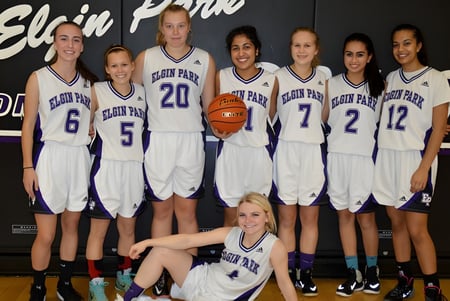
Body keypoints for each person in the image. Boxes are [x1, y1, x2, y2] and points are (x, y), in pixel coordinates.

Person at [132, 3, 216, 299]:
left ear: (189, 27)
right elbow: (130, 102)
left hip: (191, 139)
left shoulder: (205, 59)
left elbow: (210, 106)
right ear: (161, 29)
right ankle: (158, 272)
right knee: (162, 210)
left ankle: (185, 280)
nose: (176, 32)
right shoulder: (146, 58)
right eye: (169, 26)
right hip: (157, 140)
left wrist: (222, 128)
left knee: (187, 212)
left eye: (181, 25)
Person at [21, 21, 98, 301]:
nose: (70, 45)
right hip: (49, 158)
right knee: (46, 234)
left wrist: (91, 126)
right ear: (54, 42)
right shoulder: (39, 77)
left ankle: (64, 285)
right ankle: (38, 287)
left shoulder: (89, 83)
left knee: (72, 226)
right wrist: (28, 167)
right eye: (64, 39)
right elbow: (28, 125)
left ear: (82, 46)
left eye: (76, 40)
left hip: (78, 158)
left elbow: (92, 120)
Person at [373, 24, 450, 301]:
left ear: (418, 46)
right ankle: (405, 281)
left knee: (418, 229)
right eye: (396, 44)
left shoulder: (436, 79)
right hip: (388, 158)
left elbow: (439, 129)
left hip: (415, 160)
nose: (401, 49)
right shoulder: (391, 78)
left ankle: (433, 289)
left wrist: (423, 168)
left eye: (407, 43)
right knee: (397, 224)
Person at [119, 192, 297, 301]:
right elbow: (188, 240)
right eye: (242, 215)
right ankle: (127, 299)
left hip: (223, 298)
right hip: (201, 278)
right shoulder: (231, 233)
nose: (248, 221)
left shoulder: (274, 246)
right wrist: (148, 243)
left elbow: (285, 284)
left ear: (267, 217)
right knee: (160, 252)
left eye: (255, 215)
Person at [324, 32, 385, 297]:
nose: (354, 59)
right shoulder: (332, 84)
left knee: (366, 219)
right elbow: (323, 119)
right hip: (337, 157)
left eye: (360, 54)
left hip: (364, 158)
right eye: (349, 54)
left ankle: (372, 270)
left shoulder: (380, 86)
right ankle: (354, 273)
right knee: (344, 216)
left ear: (369, 56)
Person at [85, 45, 147, 301]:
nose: (120, 70)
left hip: (133, 167)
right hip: (106, 168)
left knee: (128, 229)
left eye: (124, 64)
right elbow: (85, 123)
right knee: (98, 231)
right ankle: (95, 283)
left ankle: (124, 276)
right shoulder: (97, 91)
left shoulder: (143, 93)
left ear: (133, 66)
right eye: (114, 66)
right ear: (107, 70)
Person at [271, 27, 327, 296]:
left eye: (307, 46)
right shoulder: (278, 77)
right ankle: (287, 272)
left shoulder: (325, 78)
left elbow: (328, 115)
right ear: (291, 48)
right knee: (286, 219)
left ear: (316, 50)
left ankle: (306, 273)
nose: (302, 50)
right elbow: (267, 113)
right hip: (287, 151)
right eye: (297, 45)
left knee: (310, 217)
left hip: (313, 152)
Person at [212, 25, 278, 227]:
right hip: (231, 152)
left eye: (247, 47)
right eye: (235, 48)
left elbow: (272, 117)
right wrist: (218, 130)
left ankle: (257, 259)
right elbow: (215, 117)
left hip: (258, 153)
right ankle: (230, 259)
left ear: (256, 50)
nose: (241, 53)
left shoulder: (271, 79)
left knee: (258, 218)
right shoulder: (222, 77)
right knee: (231, 217)